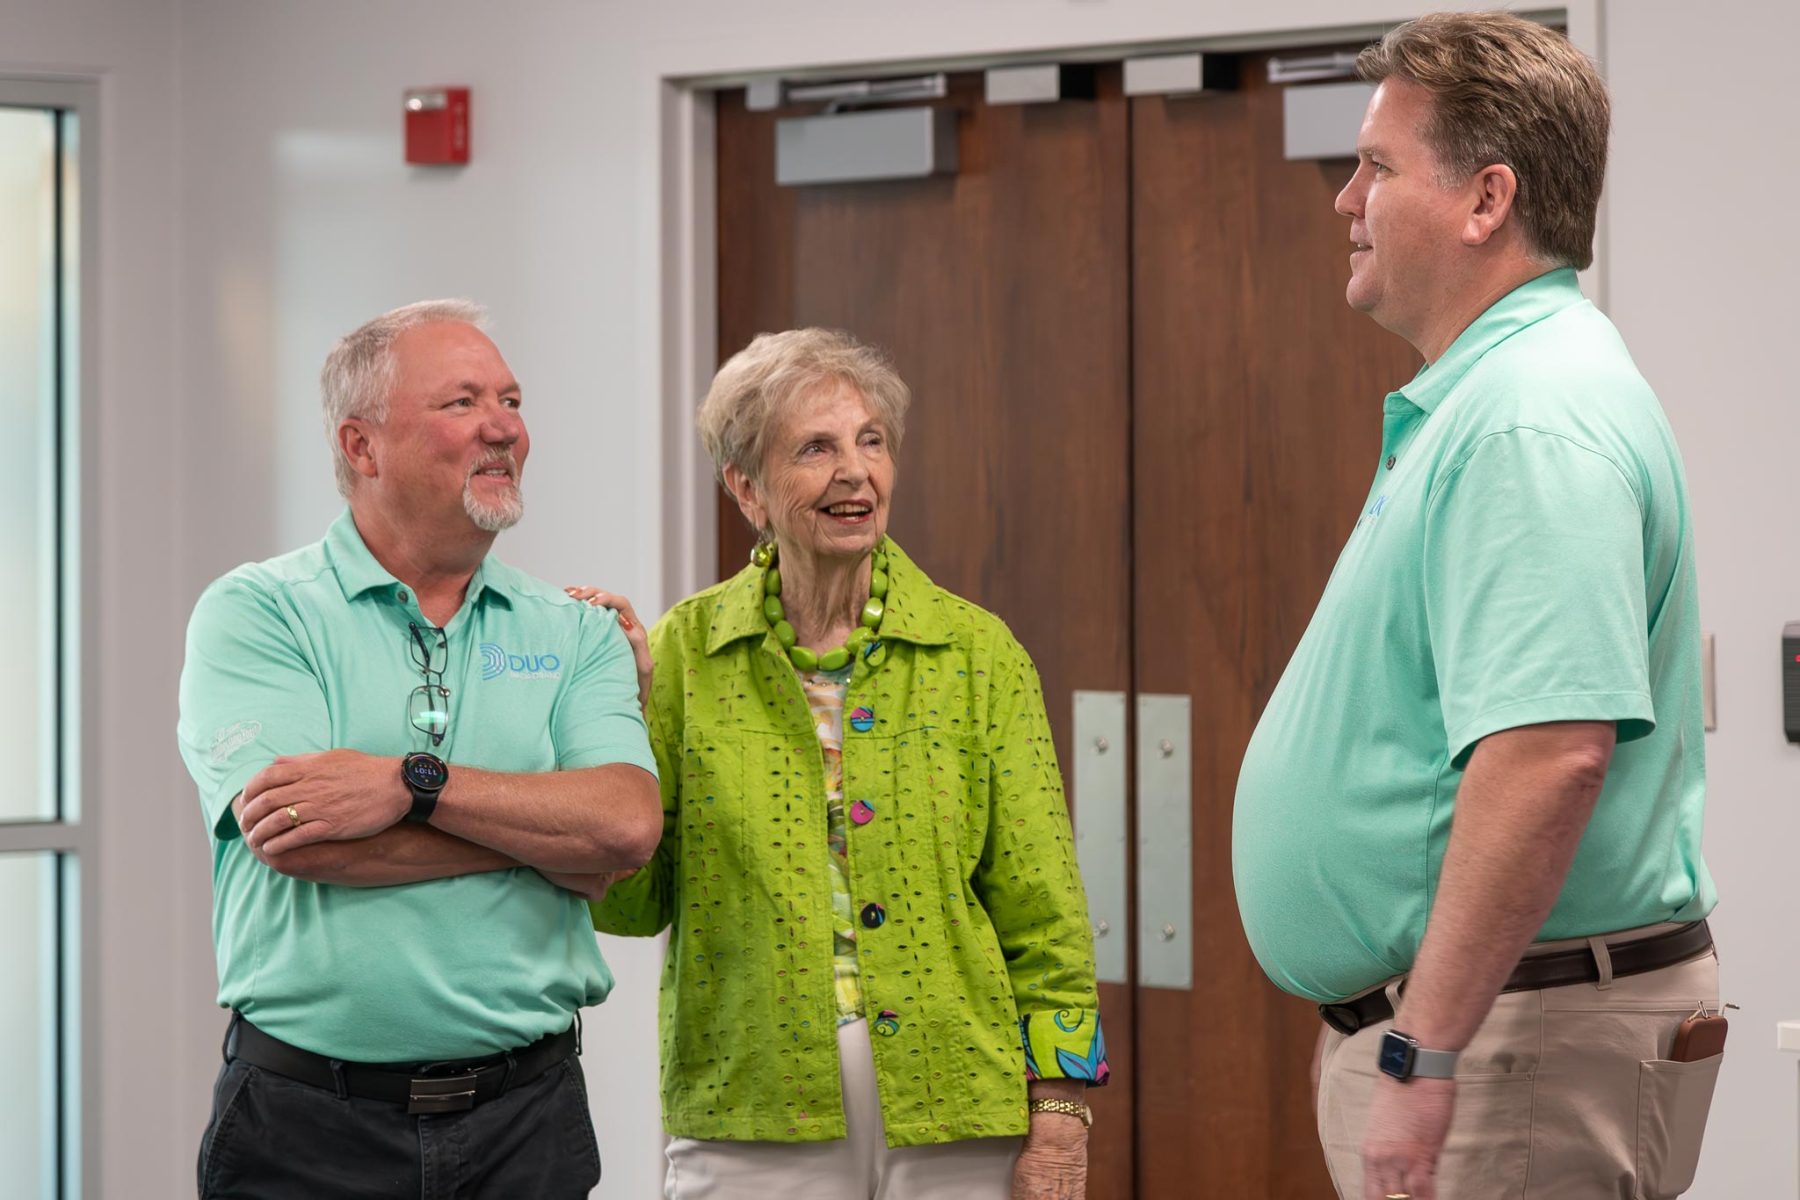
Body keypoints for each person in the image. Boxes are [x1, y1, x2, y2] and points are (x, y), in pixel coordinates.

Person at [1231, 14, 1721, 1200]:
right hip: (1494, 1032)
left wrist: (1424, 1046)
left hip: (1513, 1046)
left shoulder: (1529, 418)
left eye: (1378, 166)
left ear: (1486, 199)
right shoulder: (1498, 395)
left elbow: (1550, 754)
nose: (1348, 198)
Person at [575, 328, 1106, 1200]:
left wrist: (1061, 1115)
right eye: (816, 448)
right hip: (749, 1104)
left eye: (872, 441)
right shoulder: (684, 654)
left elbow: (1045, 912)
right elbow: (633, 903)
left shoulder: (978, 654)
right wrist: (618, 723)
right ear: (746, 487)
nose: (855, 471)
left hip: (958, 1102)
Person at [176, 299, 661, 1199]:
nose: (503, 428)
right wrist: (541, 843)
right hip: (304, 1126)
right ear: (361, 447)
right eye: (462, 403)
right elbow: (302, 838)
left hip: (530, 1122)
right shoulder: (258, 612)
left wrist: (412, 784)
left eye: (511, 401)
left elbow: (626, 829)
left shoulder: (580, 631)